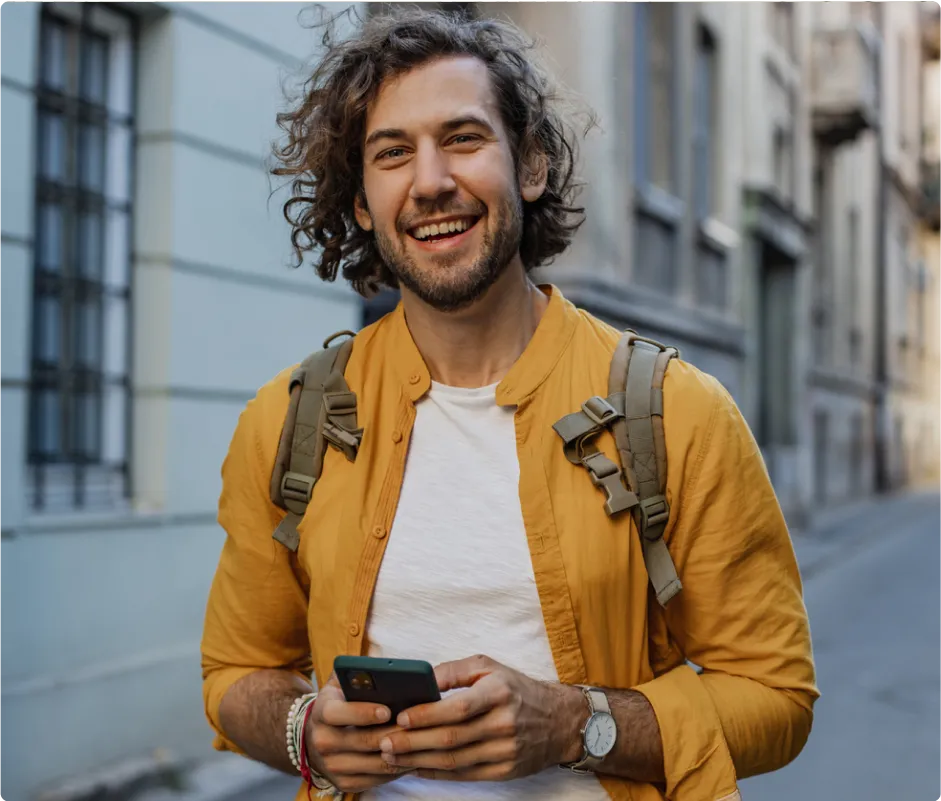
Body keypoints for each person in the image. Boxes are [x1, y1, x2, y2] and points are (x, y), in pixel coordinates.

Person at [200, 7, 818, 801]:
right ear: (360, 202)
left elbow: (777, 697)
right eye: (392, 153)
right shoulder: (289, 421)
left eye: (462, 139)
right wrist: (303, 730)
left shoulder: (676, 412)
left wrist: (575, 724)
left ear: (528, 166)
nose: (429, 182)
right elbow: (234, 673)